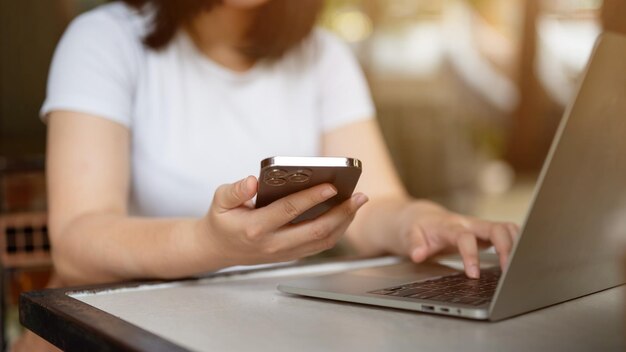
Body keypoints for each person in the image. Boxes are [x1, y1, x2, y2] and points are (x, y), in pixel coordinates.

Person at [43, 0, 518, 286]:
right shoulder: (103, 42)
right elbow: (76, 241)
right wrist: (208, 244)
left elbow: (374, 205)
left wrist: (426, 221)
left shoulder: (323, 55)